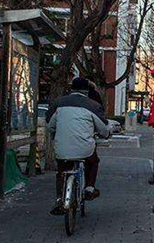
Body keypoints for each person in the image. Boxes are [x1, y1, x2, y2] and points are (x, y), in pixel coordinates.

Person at [47, 77, 110, 215]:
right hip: (84, 149)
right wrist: (106, 134)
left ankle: (59, 199)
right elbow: (103, 129)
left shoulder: (59, 103)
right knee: (93, 162)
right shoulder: (92, 105)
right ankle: (89, 188)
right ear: (86, 91)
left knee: (62, 170)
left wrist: (55, 135)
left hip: (62, 148)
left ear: (71, 89)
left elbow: (50, 125)